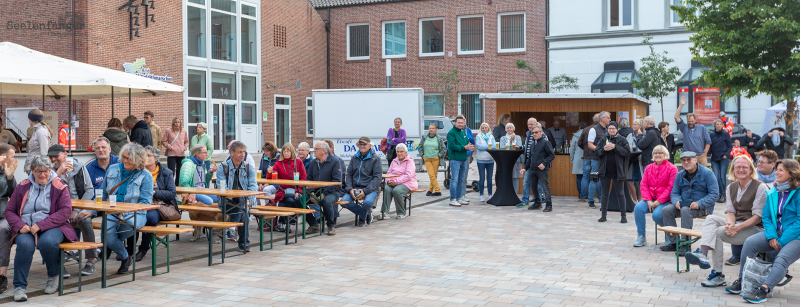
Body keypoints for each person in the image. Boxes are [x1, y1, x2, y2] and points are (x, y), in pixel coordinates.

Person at [683, 155, 767, 287]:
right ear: (733, 169)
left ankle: (717, 274)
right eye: (737, 167)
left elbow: (757, 217)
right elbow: (730, 211)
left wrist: (736, 228)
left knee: (716, 232)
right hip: (738, 224)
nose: (741, 169)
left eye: (744, 167)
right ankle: (702, 254)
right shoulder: (731, 187)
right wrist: (730, 223)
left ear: (751, 169)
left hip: (756, 229)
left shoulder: (760, 187)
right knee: (711, 218)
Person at [726, 159, 800, 303]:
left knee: (782, 259)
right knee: (750, 243)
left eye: (780, 170)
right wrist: (772, 236)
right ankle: (742, 280)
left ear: (791, 174)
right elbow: (766, 217)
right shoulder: (773, 192)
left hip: (796, 236)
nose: (776, 172)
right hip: (777, 234)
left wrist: (781, 241)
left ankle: (764, 289)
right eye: (776, 169)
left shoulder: (798, 193)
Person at [5, 156, 76, 301]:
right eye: (38, 171)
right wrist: (20, 225)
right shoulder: (22, 186)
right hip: (26, 227)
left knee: (48, 243)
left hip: (53, 225)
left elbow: (65, 211)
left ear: (50, 170)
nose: (43, 174)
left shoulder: (59, 185)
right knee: (24, 244)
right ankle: (19, 287)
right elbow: (9, 211)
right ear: (32, 171)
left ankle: (53, 274)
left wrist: (41, 225)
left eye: (46, 171)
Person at [94, 143, 153, 274]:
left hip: (136, 214)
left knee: (119, 230)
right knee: (109, 236)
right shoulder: (113, 169)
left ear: (138, 160)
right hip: (112, 210)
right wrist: (92, 210)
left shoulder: (146, 175)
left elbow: (145, 202)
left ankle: (110, 245)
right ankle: (125, 257)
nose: (125, 160)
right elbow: (103, 194)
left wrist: (126, 212)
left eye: (129, 158)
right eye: (124, 157)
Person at [47, 144, 97, 276]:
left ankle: (91, 260)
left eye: (55, 156)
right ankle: (59, 263)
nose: (53, 160)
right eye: (50, 157)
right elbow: (47, 191)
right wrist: (57, 173)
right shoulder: (50, 171)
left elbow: (89, 190)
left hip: (79, 207)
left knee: (85, 220)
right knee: (55, 225)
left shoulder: (80, 167)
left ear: (64, 154)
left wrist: (77, 209)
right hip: (59, 210)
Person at [661, 151, 719, 255]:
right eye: (683, 160)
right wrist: (676, 202)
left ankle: (685, 245)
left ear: (696, 160)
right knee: (666, 210)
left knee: (685, 210)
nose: (686, 162)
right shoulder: (680, 175)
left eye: (689, 160)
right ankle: (674, 242)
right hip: (684, 204)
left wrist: (699, 203)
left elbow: (714, 194)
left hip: (703, 207)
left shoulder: (707, 173)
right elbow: (674, 193)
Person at [132, 146, 176, 262]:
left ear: (156, 158)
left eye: (149, 155)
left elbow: (172, 194)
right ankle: (129, 249)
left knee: (150, 218)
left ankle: (143, 248)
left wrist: (154, 193)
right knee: (131, 218)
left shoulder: (166, 173)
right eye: (143, 155)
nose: (145, 158)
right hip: (138, 204)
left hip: (158, 206)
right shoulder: (137, 172)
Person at [216, 141, 258, 252]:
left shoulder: (248, 168)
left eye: (244, 152)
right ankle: (243, 244)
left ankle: (231, 230)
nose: (242, 154)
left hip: (245, 202)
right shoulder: (222, 167)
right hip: (227, 201)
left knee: (244, 209)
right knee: (243, 210)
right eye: (239, 152)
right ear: (232, 153)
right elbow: (222, 187)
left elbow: (253, 186)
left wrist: (249, 200)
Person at [632, 145, 677, 247]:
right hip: (650, 198)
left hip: (665, 201)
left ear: (665, 155)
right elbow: (643, 185)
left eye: (660, 153)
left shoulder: (672, 168)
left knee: (657, 215)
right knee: (638, 208)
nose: (657, 155)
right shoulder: (648, 168)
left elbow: (671, 187)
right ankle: (641, 236)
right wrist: (648, 200)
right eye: (655, 153)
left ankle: (669, 235)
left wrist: (658, 202)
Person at [341, 137, 383, 225]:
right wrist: (349, 189)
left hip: (371, 189)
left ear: (369, 146)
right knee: (344, 202)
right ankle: (365, 214)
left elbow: (377, 178)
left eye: (364, 144)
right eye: (360, 144)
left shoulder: (375, 159)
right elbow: (349, 175)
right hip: (355, 188)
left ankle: (362, 219)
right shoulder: (354, 158)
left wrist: (365, 191)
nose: (362, 146)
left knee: (367, 203)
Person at [273, 143, 313, 232]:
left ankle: (284, 223)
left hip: (297, 190)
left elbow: (303, 177)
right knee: (289, 200)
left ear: (292, 152)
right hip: (283, 190)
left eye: (288, 151)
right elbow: (273, 177)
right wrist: (269, 172)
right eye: (284, 151)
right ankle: (287, 224)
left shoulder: (298, 162)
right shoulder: (278, 163)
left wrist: (297, 190)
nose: (286, 153)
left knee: (295, 201)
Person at [306, 141, 344, 235]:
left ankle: (331, 226)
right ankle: (313, 224)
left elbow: (336, 182)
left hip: (332, 191)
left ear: (323, 150)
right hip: (316, 191)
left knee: (326, 201)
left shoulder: (335, 161)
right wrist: (312, 193)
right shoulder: (313, 162)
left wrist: (323, 194)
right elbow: (308, 180)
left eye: (316, 149)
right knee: (298, 201)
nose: (313, 150)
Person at [596, 121, 630, 222]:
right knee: (604, 193)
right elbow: (597, 152)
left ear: (617, 129)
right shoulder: (603, 139)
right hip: (605, 171)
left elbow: (627, 152)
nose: (611, 130)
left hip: (618, 171)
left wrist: (615, 147)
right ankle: (603, 215)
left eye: (613, 128)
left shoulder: (622, 140)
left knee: (620, 193)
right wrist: (603, 149)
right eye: (609, 128)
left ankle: (623, 216)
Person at [579, 112, 610, 208]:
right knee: (594, 179)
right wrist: (600, 150)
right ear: (602, 119)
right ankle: (591, 200)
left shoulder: (607, 130)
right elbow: (590, 144)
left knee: (603, 179)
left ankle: (602, 199)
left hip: (605, 158)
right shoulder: (593, 130)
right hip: (596, 158)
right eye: (608, 118)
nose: (609, 119)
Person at [520, 125, 555, 212]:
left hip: (542, 170)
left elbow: (552, 155)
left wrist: (544, 163)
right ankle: (537, 203)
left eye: (536, 132)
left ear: (541, 132)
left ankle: (549, 205)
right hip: (532, 169)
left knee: (545, 187)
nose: (534, 134)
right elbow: (529, 158)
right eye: (533, 133)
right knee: (533, 187)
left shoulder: (545, 142)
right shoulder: (532, 144)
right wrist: (525, 168)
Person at [380, 143, 418, 219]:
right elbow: (389, 173)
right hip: (395, 182)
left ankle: (401, 213)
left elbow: (408, 175)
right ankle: (385, 212)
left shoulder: (410, 161)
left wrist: (395, 182)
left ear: (406, 153)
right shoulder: (394, 161)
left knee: (397, 191)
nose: (399, 153)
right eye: (398, 151)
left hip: (408, 183)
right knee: (387, 188)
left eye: (401, 151)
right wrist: (388, 181)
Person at [0, 144, 18, 293]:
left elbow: (15, 195)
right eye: (12, 156)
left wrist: (10, 177)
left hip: (4, 215)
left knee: (3, 229)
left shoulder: (8, 173)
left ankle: (2, 276)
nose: (14, 159)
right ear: (3, 157)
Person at [675, 96, 712, 167]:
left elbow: (708, 141)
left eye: (692, 121)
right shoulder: (684, 127)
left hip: (700, 156)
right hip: (688, 157)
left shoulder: (702, 128)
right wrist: (681, 105)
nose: (690, 122)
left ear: (695, 120)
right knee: (689, 174)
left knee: (703, 174)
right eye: (689, 121)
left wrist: (705, 152)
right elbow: (676, 117)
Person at [447, 116, 475, 207]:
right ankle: (453, 199)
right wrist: (464, 147)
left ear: (464, 124)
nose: (460, 124)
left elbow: (467, 142)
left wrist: (470, 146)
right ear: (455, 122)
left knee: (461, 179)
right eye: (458, 122)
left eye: (462, 123)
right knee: (454, 180)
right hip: (455, 159)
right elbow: (452, 146)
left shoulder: (463, 132)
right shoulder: (451, 133)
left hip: (463, 158)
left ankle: (459, 198)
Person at [419, 122, 446, 197]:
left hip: (435, 158)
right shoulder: (424, 137)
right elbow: (420, 147)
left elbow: (444, 149)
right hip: (427, 158)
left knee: (434, 175)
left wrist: (439, 155)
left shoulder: (439, 138)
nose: (431, 129)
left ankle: (430, 190)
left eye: (433, 128)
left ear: (436, 129)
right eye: (430, 128)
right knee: (431, 174)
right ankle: (437, 190)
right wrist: (422, 155)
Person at [23, 109, 53, 174]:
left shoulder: (41, 131)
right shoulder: (37, 130)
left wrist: (42, 171)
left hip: (37, 169)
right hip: (34, 168)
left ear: (30, 119)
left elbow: (44, 153)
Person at [710, 119, 733, 203]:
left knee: (722, 177)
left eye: (720, 124)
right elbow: (710, 145)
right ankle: (720, 194)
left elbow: (730, 145)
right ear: (714, 125)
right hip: (714, 158)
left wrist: (726, 154)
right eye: (717, 124)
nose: (719, 125)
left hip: (724, 158)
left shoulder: (726, 134)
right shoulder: (712, 135)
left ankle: (723, 195)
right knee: (716, 176)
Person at [163, 117, 190, 186]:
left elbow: (187, 141)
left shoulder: (184, 131)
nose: (177, 124)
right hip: (172, 154)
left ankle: (177, 185)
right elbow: (164, 141)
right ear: (173, 123)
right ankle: (170, 185)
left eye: (178, 122)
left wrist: (184, 147)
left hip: (181, 154)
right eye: (176, 122)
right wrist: (170, 147)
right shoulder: (168, 130)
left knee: (180, 171)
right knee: (171, 171)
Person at [500, 123, 524, 193]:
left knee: (515, 177)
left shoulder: (518, 137)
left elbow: (519, 147)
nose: (509, 129)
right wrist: (509, 142)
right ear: (505, 129)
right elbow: (502, 148)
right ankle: (508, 194)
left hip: (516, 160)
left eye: (511, 128)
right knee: (507, 177)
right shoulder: (502, 138)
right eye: (508, 128)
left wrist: (513, 141)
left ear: (513, 129)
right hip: (506, 160)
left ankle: (515, 194)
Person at [475, 123, 495, 202]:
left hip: (490, 159)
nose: (484, 129)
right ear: (481, 129)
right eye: (482, 128)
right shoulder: (478, 136)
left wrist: (485, 147)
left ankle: (490, 194)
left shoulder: (491, 136)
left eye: (485, 128)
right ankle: (481, 195)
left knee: (489, 178)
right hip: (481, 160)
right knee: (482, 178)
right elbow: (479, 147)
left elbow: (494, 146)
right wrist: (488, 146)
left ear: (488, 128)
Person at [570, 122, 587, 202]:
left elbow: (572, 148)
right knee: (587, 177)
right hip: (587, 158)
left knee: (579, 177)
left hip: (578, 158)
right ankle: (586, 195)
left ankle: (581, 195)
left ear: (579, 127)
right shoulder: (588, 133)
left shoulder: (575, 135)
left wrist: (572, 159)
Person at [626, 119, 642, 202]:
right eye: (633, 124)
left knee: (641, 181)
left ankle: (640, 200)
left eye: (636, 124)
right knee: (630, 181)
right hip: (631, 160)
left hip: (640, 160)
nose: (634, 126)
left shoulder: (644, 134)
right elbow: (626, 145)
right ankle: (635, 199)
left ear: (640, 126)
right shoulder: (629, 135)